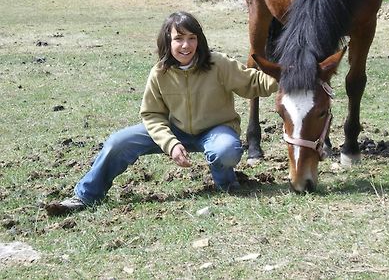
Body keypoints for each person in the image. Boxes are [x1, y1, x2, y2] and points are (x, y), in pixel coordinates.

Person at [46, 11, 278, 215]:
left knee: (225, 150)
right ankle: (86, 195)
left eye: (191, 38)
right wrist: (170, 143)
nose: (186, 45)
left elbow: (253, 83)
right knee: (118, 142)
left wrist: (288, 77)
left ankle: (227, 185)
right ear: (167, 41)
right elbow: (151, 115)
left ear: (200, 41)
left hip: (215, 131)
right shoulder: (159, 73)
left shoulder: (218, 64)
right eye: (179, 39)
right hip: (174, 130)